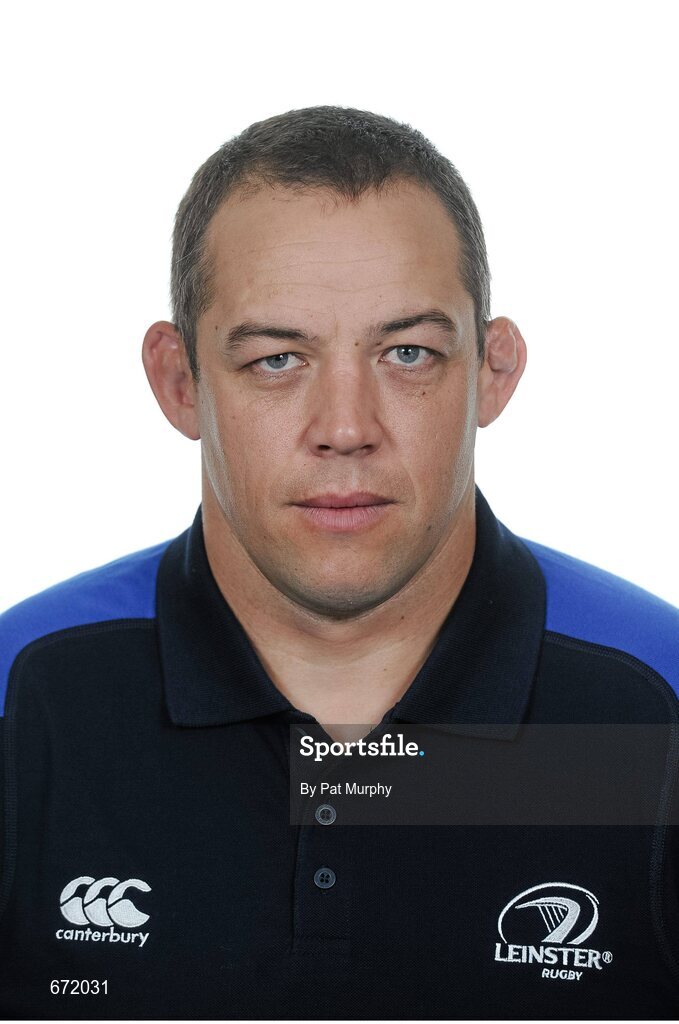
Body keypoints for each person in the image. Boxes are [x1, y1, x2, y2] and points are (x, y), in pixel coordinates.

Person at [0, 105, 677, 1021]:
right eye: (277, 359)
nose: (346, 429)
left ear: (493, 370)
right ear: (178, 381)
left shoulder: (655, 700)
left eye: (407, 354)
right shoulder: (22, 693)